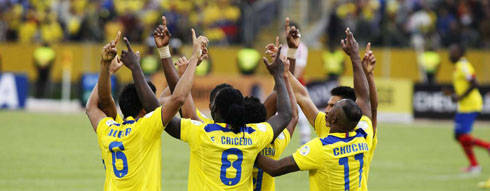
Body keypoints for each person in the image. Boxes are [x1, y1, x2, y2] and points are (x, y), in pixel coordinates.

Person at [134, 19, 292, 190]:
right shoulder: (254, 137)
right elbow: (286, 115)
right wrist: (279, 74)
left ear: (213, 109)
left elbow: (160, 113)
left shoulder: (203, 133)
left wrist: (163, 53)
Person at [256, 28, 377, 191]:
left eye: (333, 108)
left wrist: (246, 147)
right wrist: (288, 61)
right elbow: (363, 99)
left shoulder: (320, 148)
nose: (326, 111)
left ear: (333, 119)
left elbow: (275, 168)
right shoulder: (363, 135)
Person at [85, 28, 206, 190]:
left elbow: (91, 106)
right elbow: (177, 98)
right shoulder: (147, 127)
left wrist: (106, 66)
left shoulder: (108, 129)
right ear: (144, 109)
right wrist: (193, 60)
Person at [444, 44, 489, 174]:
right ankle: (474, 165)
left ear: (460, 53)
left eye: (452, 52)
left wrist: (460, 97)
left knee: (461, 135)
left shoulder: (464, 66)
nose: (450, 54)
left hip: (471, 105)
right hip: (464, 105)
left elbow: (475, 83)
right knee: (459, 136)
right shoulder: (458, 67)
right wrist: (453, 93)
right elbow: (463, 87)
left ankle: (487, 146)